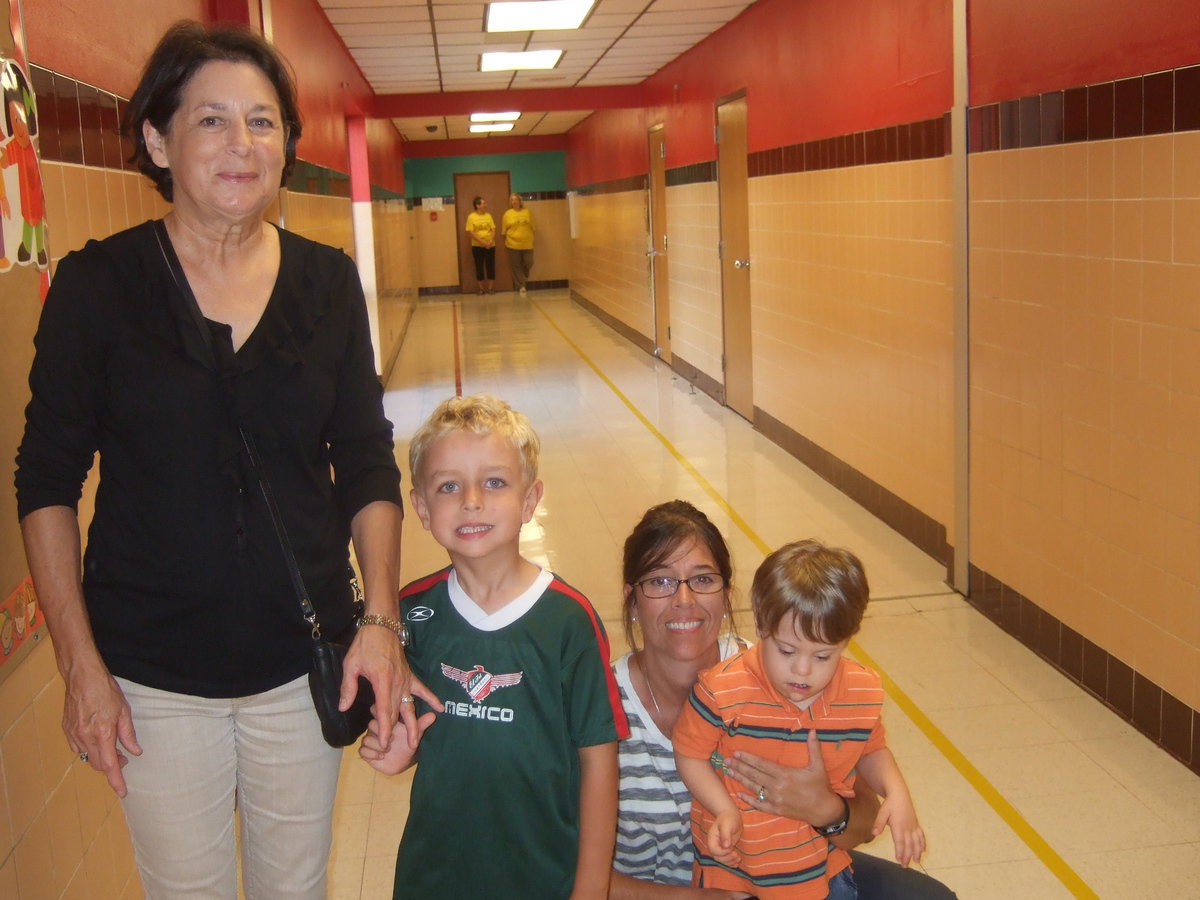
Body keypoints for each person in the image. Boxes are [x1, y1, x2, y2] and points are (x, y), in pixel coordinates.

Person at [13, 21, 432, 899]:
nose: (242, 144)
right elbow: (46, 481)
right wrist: (80, 667)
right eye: (211, 121)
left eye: (264, 121)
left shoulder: (325, 285)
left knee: (297, 886)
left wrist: (382, 625)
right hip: (151, 675)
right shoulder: (99, 289)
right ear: (158, 141)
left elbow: (364, 460)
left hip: (301, 656)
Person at [612, 500, 957, 900]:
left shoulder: (791, 671)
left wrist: (825, 810)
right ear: (631, 598)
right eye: (660, 581)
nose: (684, 599)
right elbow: (566, 871)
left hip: (795, 876)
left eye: (703, 579)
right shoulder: (598, 704)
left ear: (727, 594)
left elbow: (862, 817)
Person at [359, 393, 628, 898]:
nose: (472, 500)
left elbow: (598, 759)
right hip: (433, 876)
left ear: (530, 499)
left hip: (542, 876)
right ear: (420, 506)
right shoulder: (409, 613)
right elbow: (419, 725)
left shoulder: (568, 620)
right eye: (448, 486)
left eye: (495, 482)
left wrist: (590, 889)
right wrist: (401, 747)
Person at [674, 539, 924, 898]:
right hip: (733, 877)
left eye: (823, 656)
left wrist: (898, 794)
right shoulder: (721, 691)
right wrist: (723, 809)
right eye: (787, 651)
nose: (803, 671)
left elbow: (872, 750)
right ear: (761, 625)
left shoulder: (860, 691)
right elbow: (689, 753)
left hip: (820, 874)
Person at [501, 191, 535, 295]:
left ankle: (522, 279)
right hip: (512, 244)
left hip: (527, 243)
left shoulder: (527, 212)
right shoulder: (507, 214)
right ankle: (522, 286)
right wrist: (506, 242)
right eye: (512, 200)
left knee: (529, 262)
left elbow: (533, 227)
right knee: (515, 266)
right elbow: (503, 231)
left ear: (520, 201)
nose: (514, 201)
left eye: (516, 199)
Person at [465, 194, 496, 294]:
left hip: (490, 245)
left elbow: (493, 229)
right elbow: (471, 232)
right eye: (483, 203)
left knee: (490, 266)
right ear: (477, 206)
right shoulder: (471, 217)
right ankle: (481, 289)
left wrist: (490, 240)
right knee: (479, 266)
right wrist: (482, 242)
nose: (485, 205)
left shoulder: (488, 216)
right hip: (477, 246)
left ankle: (490, 288)